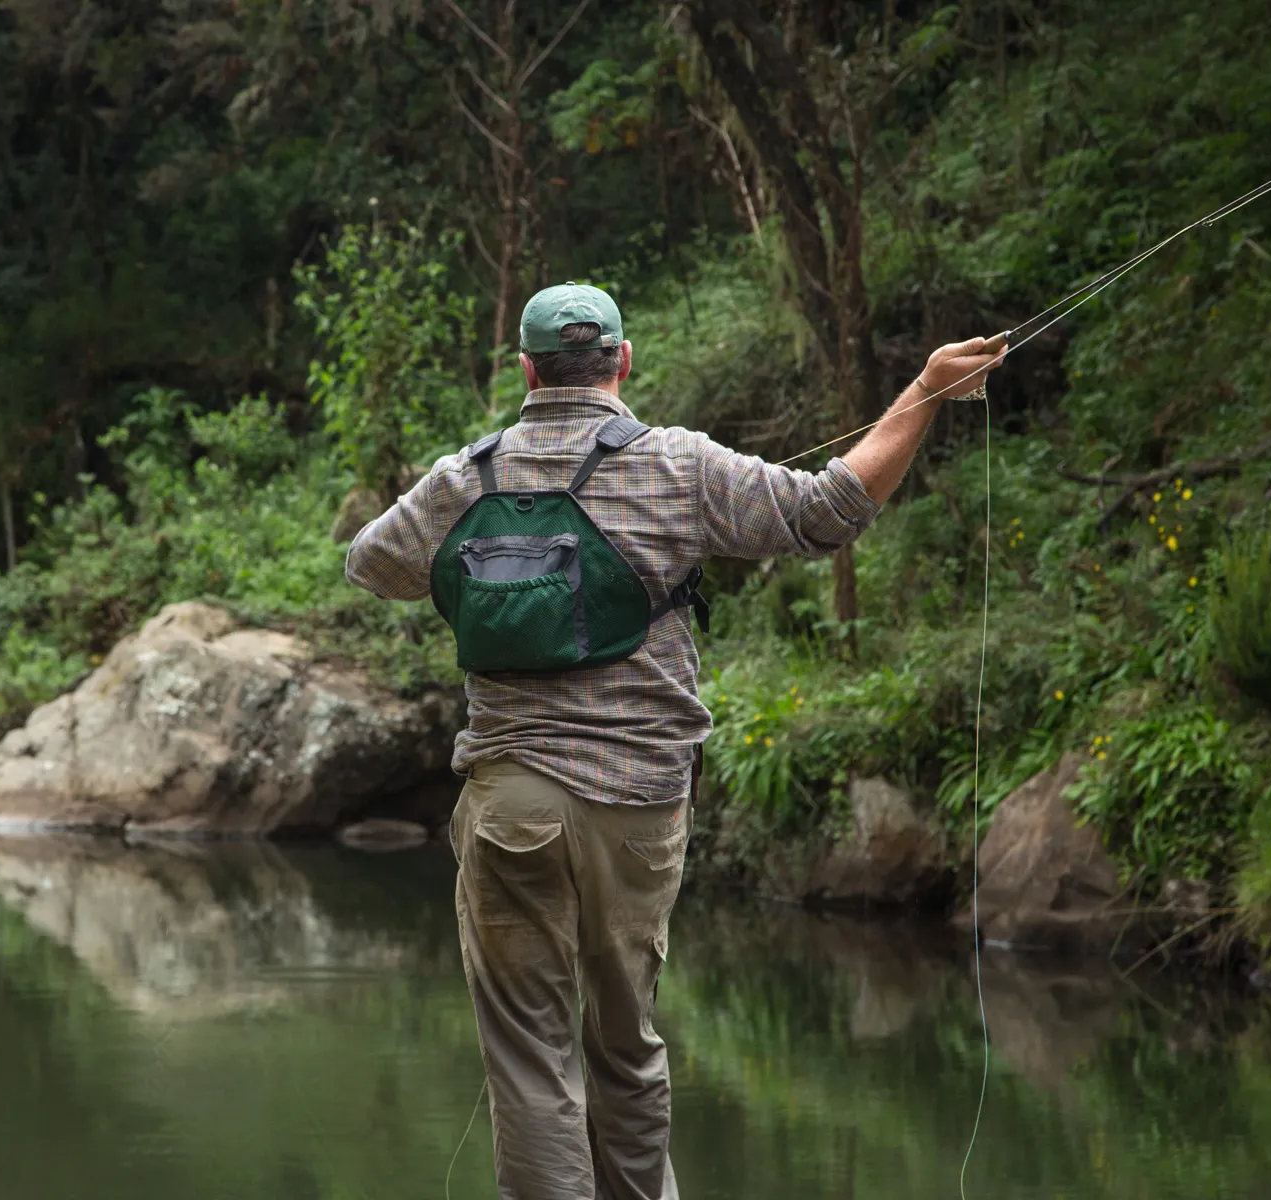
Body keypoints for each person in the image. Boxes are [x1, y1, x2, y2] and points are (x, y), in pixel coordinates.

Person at [344, 283, 1001, 1200]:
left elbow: (370, 565)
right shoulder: (679, 466)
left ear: (526, 370)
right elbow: (828, 512)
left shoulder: (467, 475)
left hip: (509, 803)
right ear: (621, 361)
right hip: (640, 802)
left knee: (530, 1058)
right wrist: (923, 393)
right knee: (627, 1042)